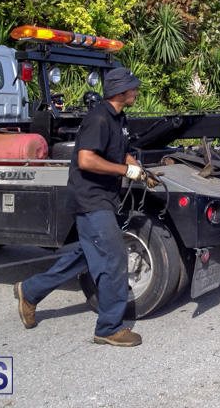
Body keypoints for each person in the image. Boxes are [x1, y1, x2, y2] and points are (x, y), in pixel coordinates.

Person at [13, 68, 149, 345]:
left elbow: (114, 150)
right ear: (120, 92)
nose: (136, 92)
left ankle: (30, 291)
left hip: (104, 197)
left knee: (87, 255)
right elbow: (86, 159)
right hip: (90, 199)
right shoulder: (98, 118)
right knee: (114, 258)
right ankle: (109, 328)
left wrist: (134, 165)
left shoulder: (119, 118)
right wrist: (124, 171)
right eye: (132, 88)